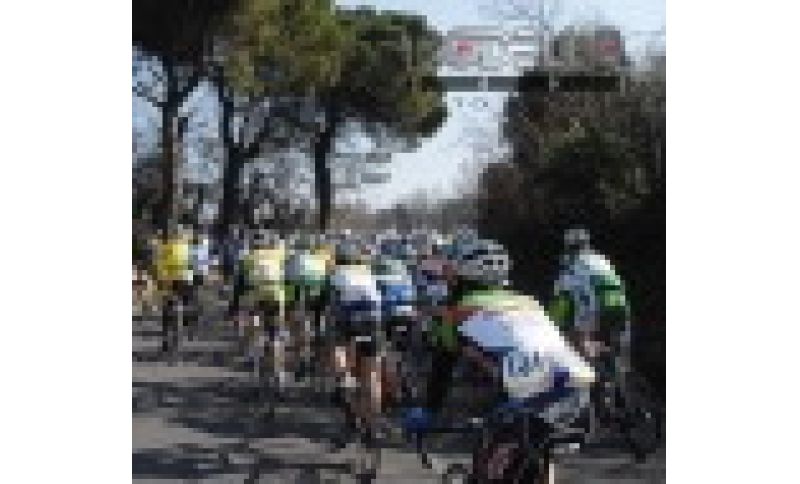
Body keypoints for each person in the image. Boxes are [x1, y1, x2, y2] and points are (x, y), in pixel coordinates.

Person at [401, 238, 595, 481]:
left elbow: (443, 366)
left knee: (495, 466)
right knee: (536, 457)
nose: (448, 280)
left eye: (452, 274)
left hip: (537, 394)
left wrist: (428, 411)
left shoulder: (459, 312)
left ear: (466, 275)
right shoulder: (529, 302)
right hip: (579, 388)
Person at [549, 227, 631, 439]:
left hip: (593, 314)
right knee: (614, 357)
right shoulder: (602, 260)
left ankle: (599, 403)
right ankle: (623, 399)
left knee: (580, 353)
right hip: (620, 311)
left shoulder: (570, 267)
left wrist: (552, 325)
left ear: (568, 247)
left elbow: (562, 304)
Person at [326, 239, 385, 446]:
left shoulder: (335, 274)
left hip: (349, 318)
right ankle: (373, 428)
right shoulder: (368, 272)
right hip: (373, 320)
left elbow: (327, 304)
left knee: (336, 348)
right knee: (371, 376)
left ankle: (345, 384)